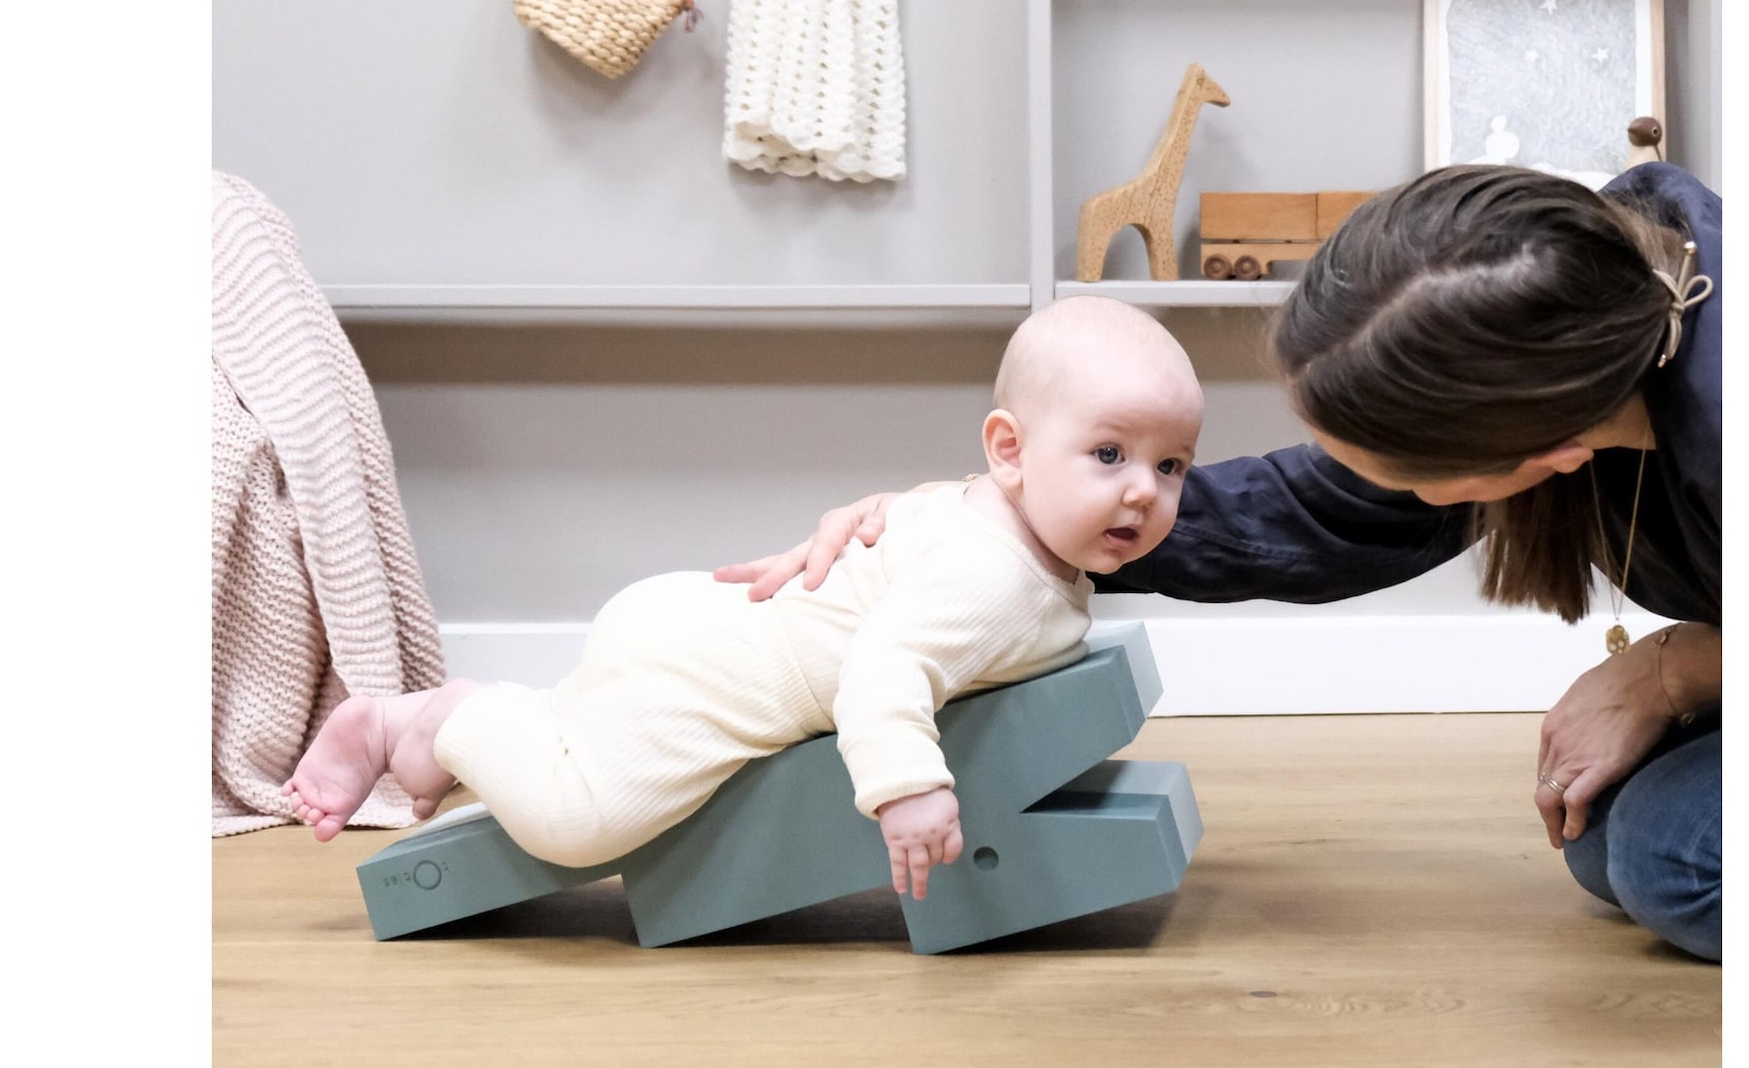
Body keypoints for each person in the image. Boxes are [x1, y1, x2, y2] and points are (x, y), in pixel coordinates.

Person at [719, 161, 1721, 960]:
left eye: (1408, 479)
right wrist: (980, 523)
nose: (1374, 487)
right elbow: (1302, 513)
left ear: (1550, 458)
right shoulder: (1587, 302)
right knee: (1606, 843)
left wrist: (1672, 668)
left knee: (1668, 855)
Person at [283, 296, 1205, 901]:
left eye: (1170, 466)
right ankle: (434, 721)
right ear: (1010, 450)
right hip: (717, 679)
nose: (1142, 492)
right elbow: (883, 670)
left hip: (697, 624)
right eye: (1110, 455)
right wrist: (909, 788)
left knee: (583, 736)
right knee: (580, 822)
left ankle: (507, 721)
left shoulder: (974, 509)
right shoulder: (996, 577)